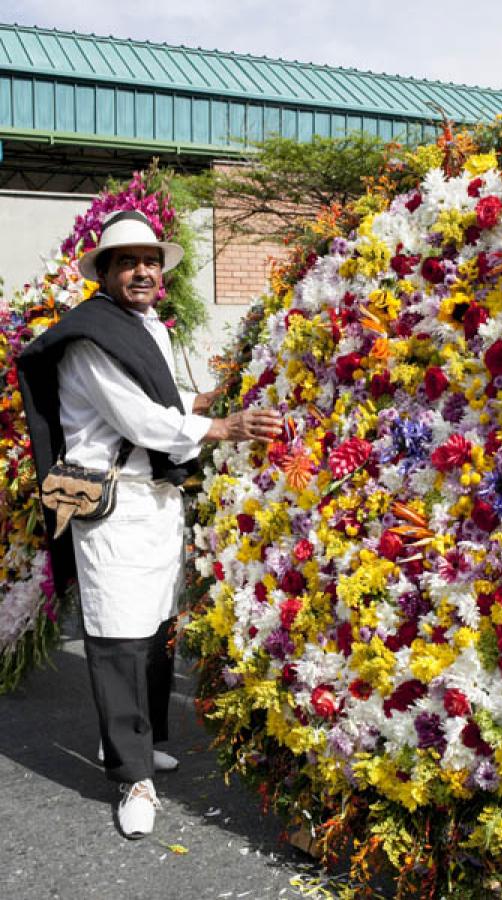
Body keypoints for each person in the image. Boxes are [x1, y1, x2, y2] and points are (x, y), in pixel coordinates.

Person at [17, 209, 282, 839]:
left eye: (150, 261)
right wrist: (222, 427)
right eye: (127, 261)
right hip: (111, 504)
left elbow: (165, 403)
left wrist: (207, 400)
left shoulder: (148, 327)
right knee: (115, 635)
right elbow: (138, 420)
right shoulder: (88, 337)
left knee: (157, 625)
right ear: (104, 272)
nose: (142, 270)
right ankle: (131, 778)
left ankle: (130, 745)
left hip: (156, 499)